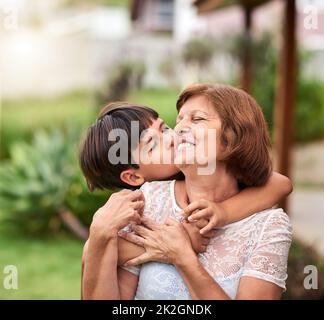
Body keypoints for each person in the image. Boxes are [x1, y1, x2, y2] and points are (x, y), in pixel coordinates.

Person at [80, 85, 292, 299]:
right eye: (152, 145)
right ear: (133, 177)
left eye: (164, 129)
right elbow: (95, 252)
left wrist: (223, 212)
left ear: (232, 139)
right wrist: (100, 232)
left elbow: (281, 184)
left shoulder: (267, 223)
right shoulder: (147, 200)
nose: (175, 134)